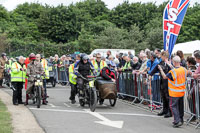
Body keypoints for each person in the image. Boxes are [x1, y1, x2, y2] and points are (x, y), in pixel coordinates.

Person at [158, 56, 190, 128]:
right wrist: (170, 65)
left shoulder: (172, 71)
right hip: (181, 91)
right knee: (180, 106)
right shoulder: (184, 69)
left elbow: (165, 77)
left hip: (174, 92)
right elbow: (178, 71)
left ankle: (177, 121)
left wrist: (161, 70)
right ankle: (181, 120)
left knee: (173, 106)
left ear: (174, 62)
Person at [149, 51, 172, 118]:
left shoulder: (169, 64)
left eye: (162, 56)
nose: (160, 57)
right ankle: (164, 110)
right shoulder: (160, 63)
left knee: (168, 97)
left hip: (168, 82)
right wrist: (150, 75)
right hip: (162, 81)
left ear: (165, 57)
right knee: (163, 96)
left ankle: (169, 112)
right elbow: (155, 68)